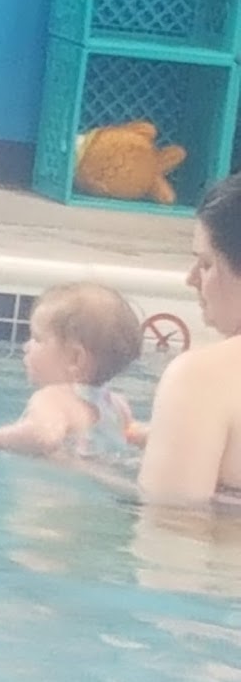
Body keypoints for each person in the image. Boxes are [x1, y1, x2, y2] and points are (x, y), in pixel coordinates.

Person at [139, 173, 241, 504]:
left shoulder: (202, 379)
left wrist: (79, 466)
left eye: (206, 264)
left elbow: (170, 521)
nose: (191, 278)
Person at [0, 282, 144, 460]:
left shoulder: (53, 399)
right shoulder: (117, 405)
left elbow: (44, 437)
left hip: (60, 477)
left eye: (38, 339)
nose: (26, 346)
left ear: (75, 358)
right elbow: (134, 435)